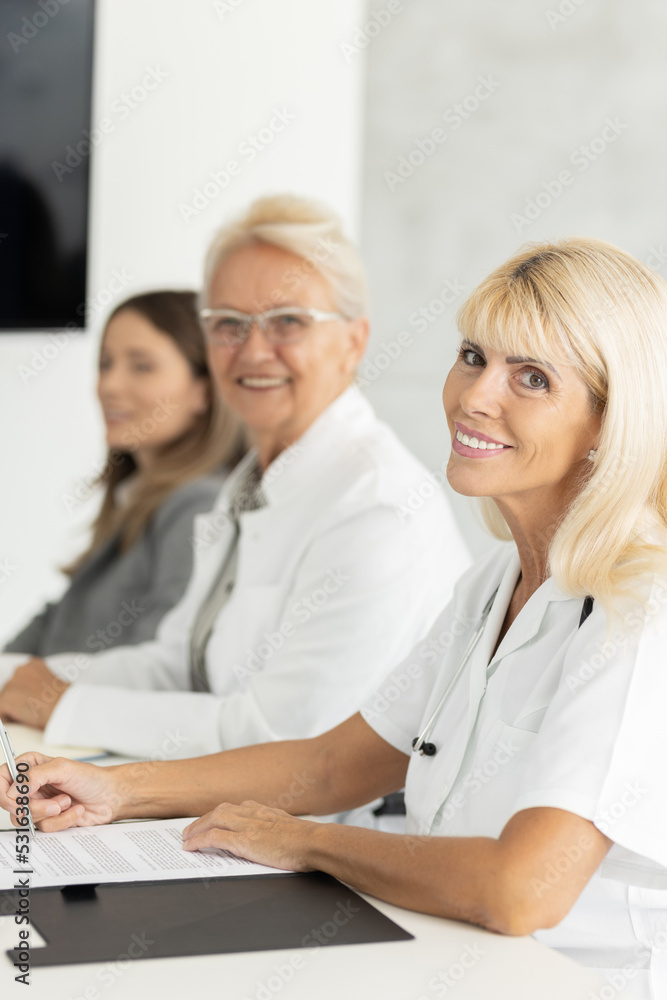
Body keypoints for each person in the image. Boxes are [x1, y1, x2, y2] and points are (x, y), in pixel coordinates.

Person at [4, 236, 666, 997]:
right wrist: (119, 791)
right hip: (444, 952)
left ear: (611, 423)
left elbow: (521, 889)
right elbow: (333, 763)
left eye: (533, 378)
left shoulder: (639, 611)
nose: (474, 396)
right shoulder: (496, 582)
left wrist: (305, 842)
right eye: (474, 356)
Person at [0, 195, 469, 776]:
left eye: (288, 322)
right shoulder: (250, 483)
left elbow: (282, 739)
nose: (251, 351)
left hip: (335, 841)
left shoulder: (376, 508)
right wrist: (23, 681)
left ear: (353, 341)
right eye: (228, 324)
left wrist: (67, 704)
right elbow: (179, 664)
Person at [2, 290, 245, 665]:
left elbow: (158, 660)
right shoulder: (137, 499)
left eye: (141, 366)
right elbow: (53, 620)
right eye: (105, 363)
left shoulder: (198, 506)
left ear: (205, 389)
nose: (110, 385)